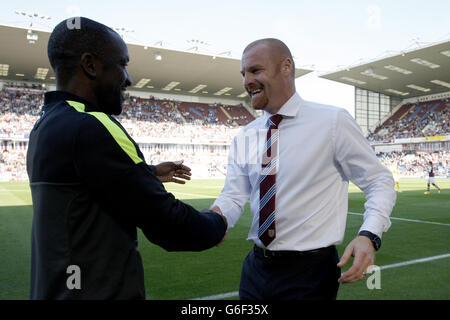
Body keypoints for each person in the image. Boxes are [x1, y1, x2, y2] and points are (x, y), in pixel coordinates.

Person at [26, 17, 227, 300]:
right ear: (91, 65)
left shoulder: (45, 124)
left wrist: (148, 172)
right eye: (122, 64)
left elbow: (86, 185)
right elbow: (167, 224)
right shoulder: (93, 125)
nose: (128, 79)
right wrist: (217, 223)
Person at [211, 38, 396, 300]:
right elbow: (233, 195)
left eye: (255, 70)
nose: (246, 81)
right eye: (243, 74)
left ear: (286, 66)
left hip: (310, 274)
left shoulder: (332, 122)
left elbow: (379, 181)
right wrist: (216, 218)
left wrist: (369, 235)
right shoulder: (245, 136)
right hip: (255, 269)